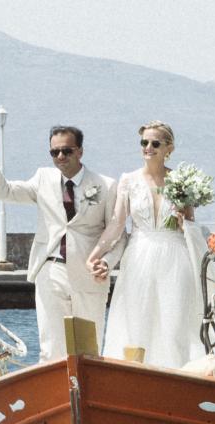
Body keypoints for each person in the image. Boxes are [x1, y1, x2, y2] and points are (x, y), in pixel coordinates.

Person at [0, 121, 121, 363]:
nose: (60, 156)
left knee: (89, 348)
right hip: (51, 270)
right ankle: (56, 395)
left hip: (90, 274)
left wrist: (107, 263)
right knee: (52, 349)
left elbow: (118, 235)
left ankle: (86, 396)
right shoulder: (42, 178)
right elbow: (4, 192)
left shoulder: (106, 185)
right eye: (54, 152)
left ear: (80, 151)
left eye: (66, 151)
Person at [87, 120, 206, 370]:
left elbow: (191, 224)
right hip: (139, 256)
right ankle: (133, 380)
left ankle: (177, 379)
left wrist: (184, 222)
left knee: (174, 326)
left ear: (168, 148)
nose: (148, 148)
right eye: (144, 142)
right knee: (137, 324)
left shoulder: (182, 181)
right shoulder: (128, 180)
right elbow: (117, 225)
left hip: (175, 258)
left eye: (155, 143)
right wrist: (96, 255)